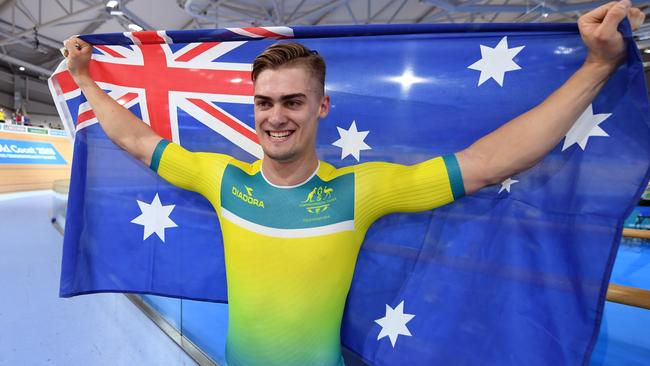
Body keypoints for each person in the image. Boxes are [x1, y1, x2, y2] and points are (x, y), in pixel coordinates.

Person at [63, 1, 644, 365]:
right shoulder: (221, 179)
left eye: (293, 101)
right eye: (264, 102)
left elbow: (488, 162)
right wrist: (87, 80)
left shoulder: (359, 191)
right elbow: (135, 139)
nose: (275, 116)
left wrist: (595, 67)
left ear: (322, 107)